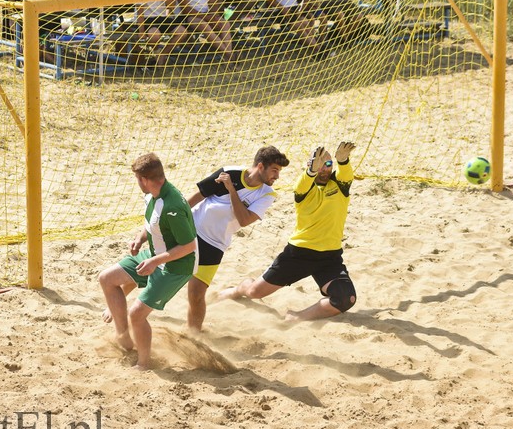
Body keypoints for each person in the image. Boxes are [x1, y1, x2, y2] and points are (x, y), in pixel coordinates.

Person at [219, 142, 358, 321]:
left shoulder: (340, 185)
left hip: (329, 257)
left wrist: (343, 160)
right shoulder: (303, 187)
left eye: (329, 164)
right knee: (254, 292)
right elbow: (304, 182)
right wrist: (311, 171)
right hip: (299, 254)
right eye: (320, 165)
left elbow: (346, 174)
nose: (325, 169)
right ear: (311, 166)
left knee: (346, 299)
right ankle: (238, 289)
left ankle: (296, 317)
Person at [99, 153, 197, 371]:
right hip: (156, 255)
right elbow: (153, 224)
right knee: (106, 278)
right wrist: (140, 238)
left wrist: (154, 262)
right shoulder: (154, 194)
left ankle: (143, 364)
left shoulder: (172, 206)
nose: (137, 184)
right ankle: (123, 337)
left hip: (175, 267)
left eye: (137, 179)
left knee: (137, 315)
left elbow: (189, 246)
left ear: (143, 179)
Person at [186, 146, 290, 331]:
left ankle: (193, 335)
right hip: (190, 230)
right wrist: (175, 220)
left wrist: (232, 191)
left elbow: (243, 220)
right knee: (151, 269)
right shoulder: (229, 172)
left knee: (196, 295)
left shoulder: (267, 194)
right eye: (275, 170)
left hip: (214, 245)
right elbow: (196, 197)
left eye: (279, 171)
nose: (277, 176)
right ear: (260, 166)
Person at [131, 0, 190, 66]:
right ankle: (157, 51)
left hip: (162, 18)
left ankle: (162, 53)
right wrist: (141, 31)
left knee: (182, 32)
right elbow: (140, 11)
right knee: (155, 34)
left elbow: (171, 6)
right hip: (147, 19)